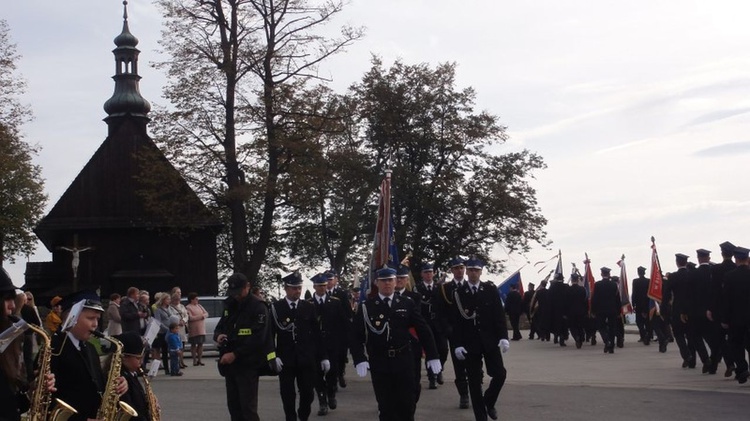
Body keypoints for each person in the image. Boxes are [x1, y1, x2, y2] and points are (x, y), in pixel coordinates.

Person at [350, 266, 440, 421]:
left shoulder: (407, 303)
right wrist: (359, 358)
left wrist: (433, 355)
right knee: (386, 407)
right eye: (383, 281)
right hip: (380, 362)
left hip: (403, 360)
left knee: (407, 404)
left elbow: (423, 330)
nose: (387, 284)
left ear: (395, 281)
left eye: (390, 280)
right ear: (377, 283)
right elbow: (355, 336)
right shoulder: (367, 307)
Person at [50, 291, 128, 421]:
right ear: (72, 317)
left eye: (97, 319)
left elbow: (97, 384)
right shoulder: (54, 348)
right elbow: (46, 399)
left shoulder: (90, 348)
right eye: (90, 318)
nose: (95, 324)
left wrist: (117, 385)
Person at [451, 258, 509, 421]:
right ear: (467, 271)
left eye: (477, 270)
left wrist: (504, 337)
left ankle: (489, 401)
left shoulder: (490, 289)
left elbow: (499, 316)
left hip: (490, 341)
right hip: (470, 343)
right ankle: (481, 417)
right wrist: (457, 344)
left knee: (500, 374)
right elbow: (456, 321)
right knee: (475, 383)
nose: (473, 273)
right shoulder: (459, 293)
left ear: (481, 271)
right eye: (471, 270)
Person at [215, 273, 276, 421]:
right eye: (233, 292)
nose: (236, 296)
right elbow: (220, 326)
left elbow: (258, 338)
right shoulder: (230, 304)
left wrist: (235, 354)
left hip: (247, 364)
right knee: (234, 407)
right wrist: (218, 336)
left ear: (247, 287)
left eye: (239, 292)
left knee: (247, 408)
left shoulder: (258, 307)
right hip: (230, 364)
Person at [0, 269, 56, 421]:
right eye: (6, 299)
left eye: (13, 298)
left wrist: (34, 390)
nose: (13, 306)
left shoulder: (8, 346)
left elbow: (12, 405)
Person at [271, 272, 325, 421]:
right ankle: (290, 417)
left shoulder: (308, 307)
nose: (297, 291)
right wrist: (272, 356)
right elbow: (269, 336)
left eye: (299, 288)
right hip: (286, 359)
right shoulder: (276, 308)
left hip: (306, 358)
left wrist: (323, 357)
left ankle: (303, 415)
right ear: (286, 289)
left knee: (308, 393)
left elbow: (317, 334)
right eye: (294, 288)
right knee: (287, 393)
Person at [308, 274, 348, 416]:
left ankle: (331, 394)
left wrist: (343, 342)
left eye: (324, 285)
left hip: (332, 345)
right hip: (315, 346)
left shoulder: (335, 302)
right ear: (314, 287)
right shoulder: (308, 304)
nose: (322, 288)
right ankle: (322, 401)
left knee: (332, 373)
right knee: (317, 375)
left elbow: (343, 323)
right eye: (320, 286)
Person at [435, 257, 470, 409]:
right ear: (452, 270)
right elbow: (440, 312)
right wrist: (447, 329)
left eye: (462, 268)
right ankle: (464, 393)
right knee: (459, 365)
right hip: (454, 332)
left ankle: (476, 388)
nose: (459, 271)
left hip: (471, 331)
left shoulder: (471, 286)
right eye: (456, 268)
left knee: (474, 363)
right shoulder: (445, 289)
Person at [414, 263, 448, 389]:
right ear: (422, 274)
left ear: (433, 273)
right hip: (426, 323)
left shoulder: (440, 288)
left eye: (430, 272)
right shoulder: (418, 289)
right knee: (429, 350)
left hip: (439, 324)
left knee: (443, 350)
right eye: (426, 272)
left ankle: (439, 368)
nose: (428, 274)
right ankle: (432, 377)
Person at [395, 264, 425, 405]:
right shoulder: (381, 298)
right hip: (392, 345)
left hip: (411, 343)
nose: (399, 280)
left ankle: (410, 405)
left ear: (407, 280)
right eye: (397, 278)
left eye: (402, 278)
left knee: (414, 380)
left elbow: (416, 321)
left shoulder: (415, 297)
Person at [720, 246, 750, 384]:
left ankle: (742, 368)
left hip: (736, 319)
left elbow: (726, 300)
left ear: (736, 259)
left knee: (735, 345)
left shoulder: (729, 276)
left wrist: (724, 319)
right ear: (747, 259)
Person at [116, 331, 158, 421]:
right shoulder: (121, 377)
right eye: (138, 358)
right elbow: (129, 408)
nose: (141, 362)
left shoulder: (132, 373)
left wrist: (149, 403)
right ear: (124, 357)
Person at [709, 241, 736, 377]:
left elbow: (713, 292)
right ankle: (740, 367)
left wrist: (710, 309)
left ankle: (729, 362)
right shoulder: (737, 268)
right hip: (736, 309)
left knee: (720, 339)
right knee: (737, 339)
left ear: (722, 253)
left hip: (720, 309)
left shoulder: (716, 269)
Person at [324, 271, 352, 389]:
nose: (329, 282)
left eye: (331, 279)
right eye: (327, 280)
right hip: (326, 332)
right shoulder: (321, 294)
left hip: (339, 332)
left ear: (336, 280)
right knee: (329, 357)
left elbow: (347, 313)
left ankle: (340, 374)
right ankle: (332, 380)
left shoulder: (341, 294)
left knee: (340, 356)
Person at [591, 267, 621, 354]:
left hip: (600, 310)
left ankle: (607, 341)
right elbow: (617, 299)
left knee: (601, 327)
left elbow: (594, 299)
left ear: (601, 274)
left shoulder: (597, 284)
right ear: (609, 274)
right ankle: (611, 346)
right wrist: (619, 311)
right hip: (612, 309)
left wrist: (593, 310)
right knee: (612, 328)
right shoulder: (614, 285)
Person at [19, 290, 42, 383]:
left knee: (19, 358)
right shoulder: (30, 309)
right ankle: (29, 377)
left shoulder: (15, 310)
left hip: (16, 337)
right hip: (28, 335)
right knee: (28, 359)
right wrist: (30, 329)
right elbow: (37, 322)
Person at [186, 292, 209, 366]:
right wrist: (200, 316)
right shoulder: (188, 307)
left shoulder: (199, 306)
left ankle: (200, 359)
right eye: (196, 299)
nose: (197, 300)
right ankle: (194, 360)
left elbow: (206, 313)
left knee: (200, 344)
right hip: (194, 329)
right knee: (193, 344)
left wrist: (203, 316)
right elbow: (190, 318)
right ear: (192, 300)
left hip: (201, 329)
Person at [631, 266, 652, 345]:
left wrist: (633, 304)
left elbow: (634, 293)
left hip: (639, 304)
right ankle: (648, 336)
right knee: (647, 322)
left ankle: (643, 335)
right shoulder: (648, 281)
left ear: (638, 273)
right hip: (647, 303)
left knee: (639, 321)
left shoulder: (635, 281)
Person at [567, 274, 589, 348]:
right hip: (581, 311)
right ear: (577, 280)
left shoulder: (568, 289)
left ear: (572, 280)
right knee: (580, 326)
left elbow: (565, 302)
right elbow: (586, 301)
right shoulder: (583, 289)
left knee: (573, 326)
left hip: (571, 311)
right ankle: (581, 337)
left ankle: (576, 337)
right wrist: (587, 310)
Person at [548, 273, 569, 346]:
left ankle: (556, 336)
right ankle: (562, 338)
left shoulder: (552, 287)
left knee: (555, 324)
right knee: (563, 324)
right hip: (564, 309)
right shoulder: (566, 287)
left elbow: (549, 299)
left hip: (555, 310)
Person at [169, 293, 188, 369]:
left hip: (182, 327)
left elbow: (186, 315)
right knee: (177, 345)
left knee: (182, 345)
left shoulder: (182, 306)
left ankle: (182, 361)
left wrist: (184, 320)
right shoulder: (170, 308)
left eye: (178, 299)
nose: (177, 301)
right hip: (176, 328)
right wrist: (178, 322)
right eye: (175, 299)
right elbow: (171, 316)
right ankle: (178, 363)